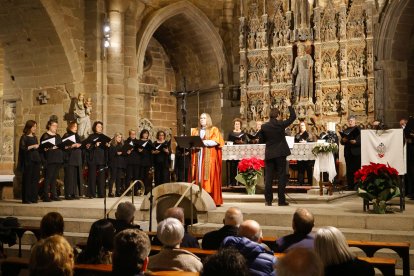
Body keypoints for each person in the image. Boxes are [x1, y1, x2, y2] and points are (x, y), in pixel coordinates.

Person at [261, 98, 296, 206]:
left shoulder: (264, 126)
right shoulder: (280, 124)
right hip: (280, 153)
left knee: (269, 177)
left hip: (270, 153)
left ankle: (268, 201)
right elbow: (293, 117)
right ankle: (281, 201)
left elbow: (262, 140)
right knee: (281, 176)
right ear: (278, 115)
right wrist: (289, 105)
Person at [191, 113, 225, 206]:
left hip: (209, 157)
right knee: (198, 175)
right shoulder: (195, 131)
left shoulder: (213, 129)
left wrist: (202, 142)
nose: (202, 119)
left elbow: (216, 141)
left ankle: (211, 198)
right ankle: (198, 198)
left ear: (208, 119)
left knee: (209, 176)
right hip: (198, 155)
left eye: (204, 118)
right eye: (201, 118)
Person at [40, 118, 64, 202]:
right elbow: (42, 149)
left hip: (58, 159)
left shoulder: (58, 136)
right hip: (50, 159)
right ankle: (45, 196)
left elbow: (61, 145)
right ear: (49, 126)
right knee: (48, 178)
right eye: (54, 125)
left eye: (56, 126)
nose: (55, 127)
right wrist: (50, 148)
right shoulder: (45, 136)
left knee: (54, 178)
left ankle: (54, 195)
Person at [18, 120, 41, 204]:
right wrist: (32, 146)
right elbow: (22, 149)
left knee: (35, 180)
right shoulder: (24, 137)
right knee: (27, 180)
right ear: (29, 127)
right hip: (28, 161)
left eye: (35, 126)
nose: (35, 128)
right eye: (33, 126)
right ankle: (26, 199)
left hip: (36, 160)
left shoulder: (35, 137)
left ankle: (33, 198)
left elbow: (37, 149)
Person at [85, 121, 108, 198]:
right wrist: (95, 145)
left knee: (101, 177)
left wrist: (107, 146)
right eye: (98, 126)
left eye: (101, 127)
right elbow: (87, 148)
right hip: (93, 158)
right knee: (92, 177)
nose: (100, 128)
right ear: (95, 127)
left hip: (101, 158)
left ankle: (101, 194)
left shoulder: (104, 136)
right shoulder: (91, 137)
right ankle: (91, 194)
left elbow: (106, 149)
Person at [62, 121, 82, 200]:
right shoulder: (66, 135)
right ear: (70, 127)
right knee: (69, 177)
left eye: (76, 127)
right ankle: (68, 194)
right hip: (69, 159)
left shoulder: (77, 136)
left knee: (75, 177)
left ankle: (74, 193)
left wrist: (81, 145)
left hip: (77, 159)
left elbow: (80, 144)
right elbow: (63, 147)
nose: (76, 128)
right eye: (74, 126)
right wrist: (72, 146)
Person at [340, 115, 361, 190]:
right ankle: (350, 185)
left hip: (356, 152)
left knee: (357, 169)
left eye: (352, 120)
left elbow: (362, 140)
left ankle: (358, 185)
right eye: (349, 121)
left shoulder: (359, 130)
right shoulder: (345, 130)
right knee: (349, 170)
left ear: (355, 121)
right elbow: (341, 142)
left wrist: (356, 142)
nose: (350, 122)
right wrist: (343, 140)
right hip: (348, 152)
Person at [294, 121, 316, 185]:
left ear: (306, 126)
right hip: (300, 154)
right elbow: (294, 144)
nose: (302, 127)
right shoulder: (297, 135)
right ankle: (300, 183)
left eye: (303, 125)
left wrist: (306, 142)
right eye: (300, 126)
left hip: (309, 155)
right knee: (300, 169)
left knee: (309, 169)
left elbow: (314, 143)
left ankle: (310, 182)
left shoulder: (310, 134)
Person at [227, 118, 247, 186]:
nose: (237, 125)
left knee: (242, 167)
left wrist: (242, 142)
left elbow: (246, 142)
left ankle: (241, 182)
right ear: (234, 125)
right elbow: (228, 142)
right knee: (233, 167)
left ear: (240, 125)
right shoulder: (231, 133)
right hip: (233, 153)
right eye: (236, 124)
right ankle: (233, 182)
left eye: (238, 124)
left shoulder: (243, 133)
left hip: (241, 153)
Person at [108, 132, 126, 197]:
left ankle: (118, 192)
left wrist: (125, 152)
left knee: (118, 178)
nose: (120, 138)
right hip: (113, 163)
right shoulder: (112, 145)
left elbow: (124, 154)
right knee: (112, 178)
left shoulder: (122, 145)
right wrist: (116, 153)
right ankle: (110, 192)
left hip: (120, 163)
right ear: (115, 137)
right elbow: (110, 155)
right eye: (118, 137)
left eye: (121, 137)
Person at [137, 129, 153, 195]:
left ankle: (147, 190)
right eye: (144, 133)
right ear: (142, 134)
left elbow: (152, 150)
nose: (146, 135)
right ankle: (141, 190)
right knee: (141, 176)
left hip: (148, 161)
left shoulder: (149, 141)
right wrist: (139, 150)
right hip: (140, 161)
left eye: (147, 133)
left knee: (147, 177)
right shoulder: (139, 141)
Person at [401, 118, 414, 199]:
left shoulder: (411, 121)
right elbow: (407, 134)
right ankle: (410, 191)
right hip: (410, 150)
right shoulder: (411, 121)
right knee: (410, 171)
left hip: (412, 150)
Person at [125, 130, 140, 194]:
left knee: (136, 176)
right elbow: (124, 151)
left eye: (134, 134)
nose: (133, 135)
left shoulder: (138, 142)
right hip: (129, 162)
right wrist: (127, 152)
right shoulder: (126, 141)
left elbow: (140, 152)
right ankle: (127, 191)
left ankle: (135, 191)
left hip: (136, 161)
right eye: (132, 134)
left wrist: (140, 150)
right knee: (128, 176)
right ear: (129, 135)